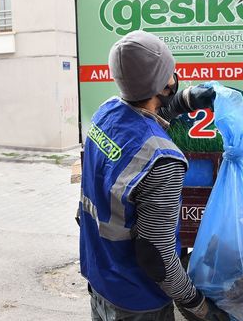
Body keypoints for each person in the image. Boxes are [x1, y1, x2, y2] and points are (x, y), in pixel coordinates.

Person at [79, 30, 230, 321]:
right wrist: (196, 304)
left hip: (100, 276)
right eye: (170, 73)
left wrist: (186, 100)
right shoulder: (162, 160)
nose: (175, 77)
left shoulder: (105, 113)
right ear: (162, 86)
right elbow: (156, 255)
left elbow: (142, 115)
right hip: (137, 301)